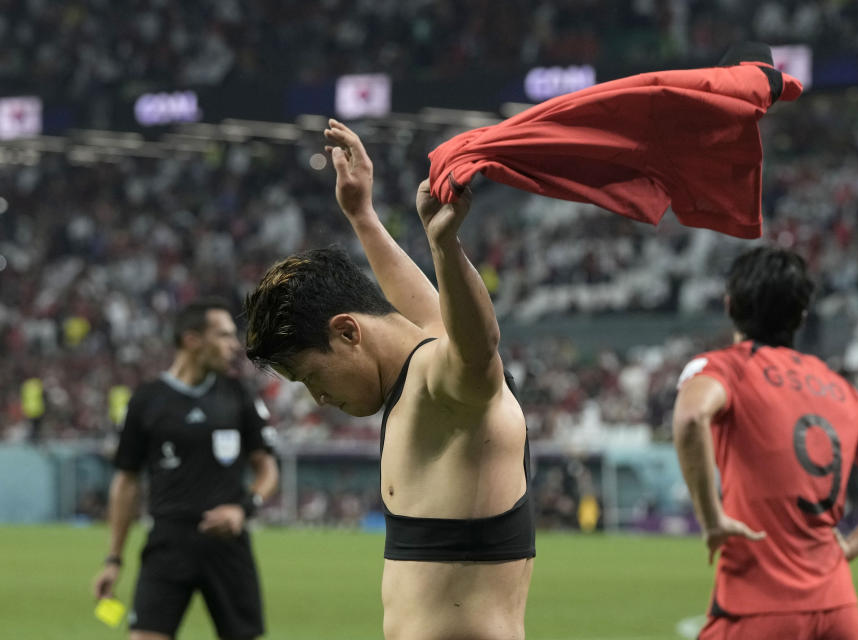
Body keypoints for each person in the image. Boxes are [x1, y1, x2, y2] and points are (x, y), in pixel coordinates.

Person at [244, 119, 534, 640]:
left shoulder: (444, 387)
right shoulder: (420, 369)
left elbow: (477, 347)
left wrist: (445, 246)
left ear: (348, 332)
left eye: (312, 376)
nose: (319, 399)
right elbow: (422, 312)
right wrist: (362, 215)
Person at [672, 247, 858, 640]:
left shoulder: (728, 367)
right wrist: (853, 546)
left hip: (759, 603)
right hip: (838, 607)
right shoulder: (838, 386)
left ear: (730, 305)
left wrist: (711, 519)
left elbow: (691, 417)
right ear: (801, 315)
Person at [92, 298, 279, 640]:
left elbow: (267, 468)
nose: (234, 345)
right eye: (223, 336)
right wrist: (113, 559)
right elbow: (126, 481)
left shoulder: (238, 395)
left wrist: (244, 508)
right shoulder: (146, 400)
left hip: (228, 546)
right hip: (168, 543)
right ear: (192, 340)